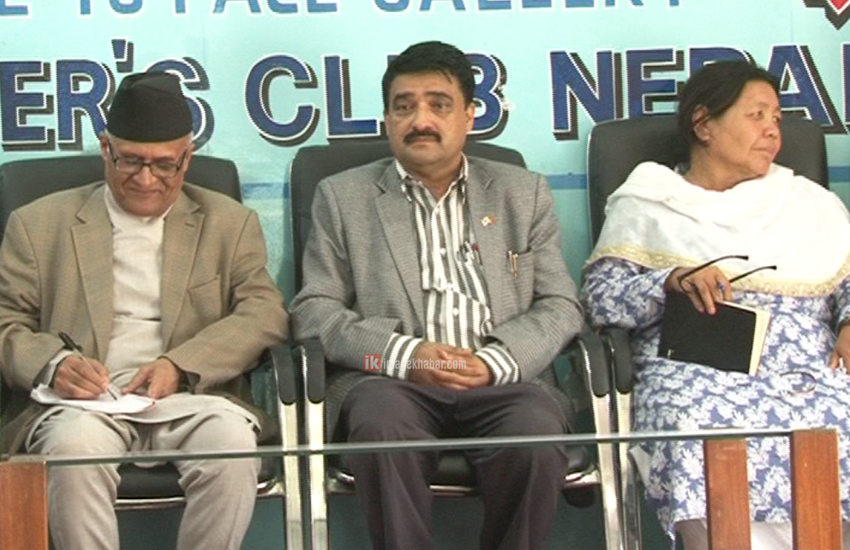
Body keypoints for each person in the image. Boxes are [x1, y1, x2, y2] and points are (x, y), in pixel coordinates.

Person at [290, 40, 583, 550]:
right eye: (403, 106)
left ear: (470, 116)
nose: (419, 120)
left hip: (504, 380)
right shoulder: (342, 196)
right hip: (390, 380)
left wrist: (494, 362)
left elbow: (560, 304)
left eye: (438, 105)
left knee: (534, 436)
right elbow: (314, 311)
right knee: (382, 429)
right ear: (387, 119)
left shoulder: (522, 192)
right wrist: (409, 357)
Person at [0, 72, 288, 550]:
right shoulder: (39, 224)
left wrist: (181, 365)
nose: (146, 179)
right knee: (74, 449)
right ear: (105, 149)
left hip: (190, 397)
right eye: (130, 161)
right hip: (82, 405)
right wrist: (54, 365)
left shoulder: (229, 223)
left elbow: (265, 313)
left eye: (164, 165)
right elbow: (6, 322)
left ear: (187, 158)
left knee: (232, 445)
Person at [582, 60, 850, 549]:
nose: (773, 129)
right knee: (698, 427)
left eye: (777, 118)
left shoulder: (808, 202)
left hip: (809, 366)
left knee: (835, 417)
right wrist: (670, 281)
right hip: (696, 367)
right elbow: (601, 300)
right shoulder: (650, 199)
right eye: (757, 115)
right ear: (704, 124)